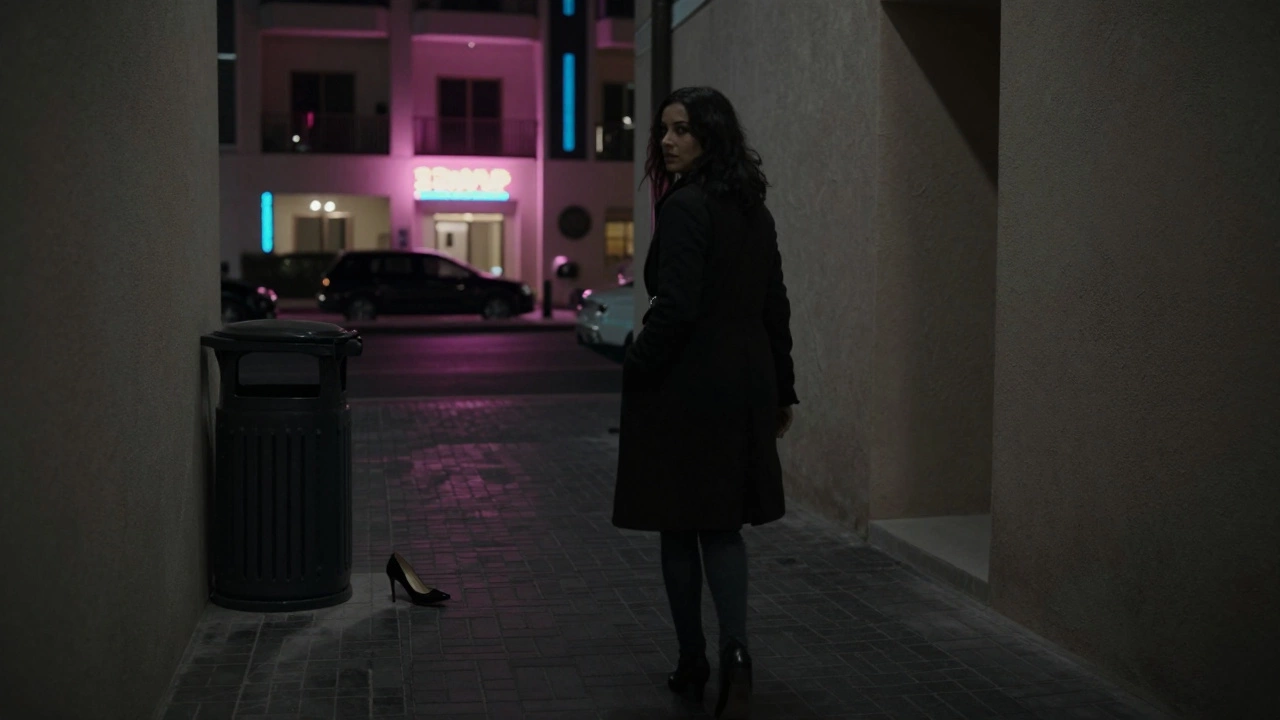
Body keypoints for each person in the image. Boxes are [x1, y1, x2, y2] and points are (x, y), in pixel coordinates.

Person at [612, 86, 798, 720]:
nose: (666, 141)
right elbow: (775, 307)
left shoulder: (687, 207)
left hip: (687, 388)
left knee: (678, 528)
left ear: (709, 136)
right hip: (743, 385)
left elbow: (678, 306)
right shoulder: (754, 210)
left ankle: (694, 661)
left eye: (681, 130)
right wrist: (783, 389)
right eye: (663, 130)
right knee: (722, 528)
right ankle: (737, 656)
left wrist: (636, 359)